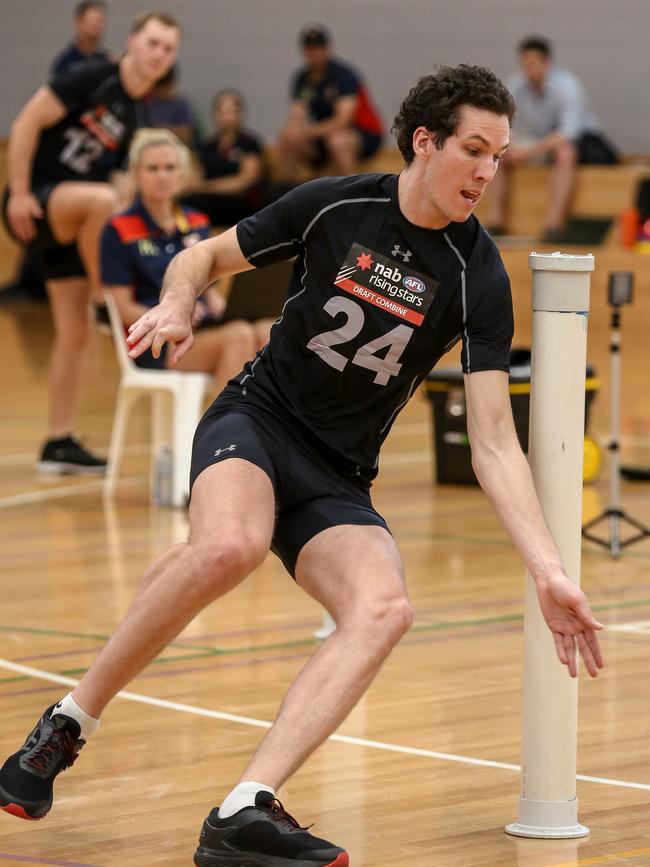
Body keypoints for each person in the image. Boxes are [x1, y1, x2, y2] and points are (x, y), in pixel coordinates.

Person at [0, 65, 604, 867]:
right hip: (257, 417)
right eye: (472, 150)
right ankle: (69, 722)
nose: (487, 172)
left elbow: (493, 439)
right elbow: (202, 257)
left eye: (498, 155)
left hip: (339, 472)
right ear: (424, 142)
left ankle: (245, 806)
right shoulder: (335, 204)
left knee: (385, 607)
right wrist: (179, 300)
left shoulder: (475, 272)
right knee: (228, 545)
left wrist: (548, 569)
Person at [1, 11, 181, 475]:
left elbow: (124, 191)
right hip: (36, 202)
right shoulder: (92, 77)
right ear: (132, 42)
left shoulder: (140, 116)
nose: (159, 54)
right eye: (153, 43)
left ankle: (58, 441)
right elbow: (24, 125)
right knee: (104, 199)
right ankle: (107, 299)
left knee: (74, 336)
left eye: (168, 48)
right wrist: (19, 191)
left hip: (77, 227)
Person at [101, 127, 258, 390]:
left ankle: (256, 426)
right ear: (137, 174)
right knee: (238, 337)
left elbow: (211, 293)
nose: (162, 176)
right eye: (153, 168)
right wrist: (178, 312)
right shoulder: (118, 229)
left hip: (202, 331)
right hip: (153, 342)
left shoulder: (197, 221)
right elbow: (123, 309)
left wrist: (222, 308)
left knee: (265, 331)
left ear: (181, 174)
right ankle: (224, 430)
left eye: (170, 168)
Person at [487, 35, 618, 241]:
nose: (530, 70)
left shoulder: (568, 86)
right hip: (536, 143)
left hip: (581, 144)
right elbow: (504, 125)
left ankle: (553, 225)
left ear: (546, 63)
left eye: (535, 63)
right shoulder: (516, 85)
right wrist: (513, 147)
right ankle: (496, 221)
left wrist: (528, 152)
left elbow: (568, 133)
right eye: (525, 64)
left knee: (565, 152)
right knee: (500, 153)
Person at [276, 24, 384, 182]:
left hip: (363, 132)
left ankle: (351, 192)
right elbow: (297, 113)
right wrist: (292, 131)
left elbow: (342, 120)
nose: (314, 52)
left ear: (327, 48)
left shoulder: (343, 76)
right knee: (288, 139)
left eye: (318, 47)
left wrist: (305, 132)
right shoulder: (302, 79)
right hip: (325, 135)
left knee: (338, 141)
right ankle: (287, 193)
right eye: (310, 48)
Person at [183, 88, 267, 227]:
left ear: (240, 114)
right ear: (215, 114)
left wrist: (206, 186)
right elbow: (196, 176)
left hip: (240, 202)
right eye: (222, 112)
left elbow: (244, 181)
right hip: (210, 201)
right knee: (188, 201)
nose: (227, 117)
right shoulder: (207, 145)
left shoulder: (249, 143)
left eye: (232, 112)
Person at [50, 0, 112, 77]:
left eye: (100, 21)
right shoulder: (65, 65)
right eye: (92, 20)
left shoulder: (106, 61)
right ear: (78, 22)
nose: (97, 26)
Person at [147, 64, 198, 148]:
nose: (160, 93)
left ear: (171, 85)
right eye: (157, 89)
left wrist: (162, 130)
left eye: (164, 89)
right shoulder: (146, 101)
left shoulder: (181, 103)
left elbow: (187, 134)